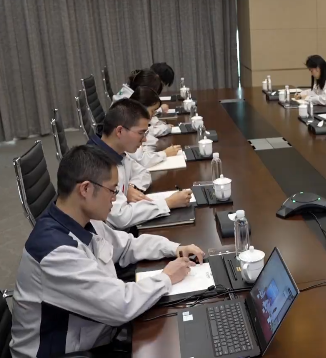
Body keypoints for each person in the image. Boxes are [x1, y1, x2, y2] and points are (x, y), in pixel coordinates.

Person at [10, 145, 204, 358]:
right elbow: (121, 306)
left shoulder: (82, 218)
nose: (116, 198)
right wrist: (166, 278)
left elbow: (126, 246)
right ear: (85, 189)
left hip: (92, 330)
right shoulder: (56, 253)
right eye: (112, 190)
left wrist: (174, 248)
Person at [87, 99, 192, 229]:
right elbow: (121, 217)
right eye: (141, 133)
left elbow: (143, 172)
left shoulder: (118, 152)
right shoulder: (97, 165)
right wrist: (167, 203)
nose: (145, 139)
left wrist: (130, 187)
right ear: (119, 131)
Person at [129, 87, 180, 168]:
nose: (153, 114)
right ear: (141, 108)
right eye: (152, 111)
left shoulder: (136, 123)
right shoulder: (130, 127)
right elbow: (142, 160)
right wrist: (165, 153)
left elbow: (150, 136)